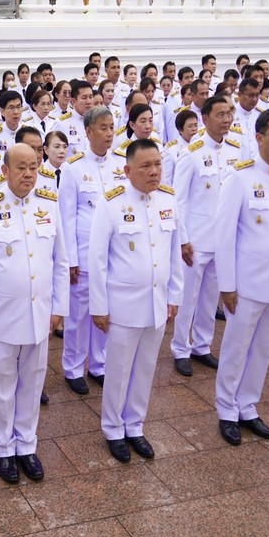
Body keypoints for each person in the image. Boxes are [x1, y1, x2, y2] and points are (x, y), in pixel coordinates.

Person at [0, 142, 68, 483]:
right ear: (5, 171)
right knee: (2, 385)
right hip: (1, 319)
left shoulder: (49, 204)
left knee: (32, 383)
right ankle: (3, 448)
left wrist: (58, 308)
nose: (28, 174)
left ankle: (26, 444)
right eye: (21, 167)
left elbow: (60, 261)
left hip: (40, 316)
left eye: (33, 167)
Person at [89, 138, 183, 462]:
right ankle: (113, 429)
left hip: (157, 303)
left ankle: (135, 426)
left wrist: (175, 295)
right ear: (128, 170)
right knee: (118, 370)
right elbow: (97, 259)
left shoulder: (168, 200)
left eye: (157, 164)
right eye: (145, 166)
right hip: (123, 304)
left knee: (145, 369)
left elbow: (174, 252)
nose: (154, 171)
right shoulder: (112, 203)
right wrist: (99, 307)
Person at [214, 109, 269, 446]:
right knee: (237, 347)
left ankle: (247, 405)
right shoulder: (240, 178)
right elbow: (224, 235)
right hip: (247, 283)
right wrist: (227, 285)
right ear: (260, 138)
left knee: (264, 347)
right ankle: (226, 409)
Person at [171, 96, 242, 377]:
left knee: (211, 296)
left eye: (229, 114)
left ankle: (202, 345)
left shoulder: (236, 150)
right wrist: (183, 239)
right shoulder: (192, 153)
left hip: (223, 240)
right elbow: (179, 200)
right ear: (206, 118)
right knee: (188, 297)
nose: (226, 119)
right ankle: (180, 348)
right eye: (221, 114)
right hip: (196, 240)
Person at [58, 107, 127, 392]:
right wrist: (71, 259)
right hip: (84, 255)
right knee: (78, 316)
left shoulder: (121, 165)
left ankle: (98, 364)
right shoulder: (73, 169)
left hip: (114, 254)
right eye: (103, 128)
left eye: (111, 127)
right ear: (88, 132)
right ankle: (73, 368)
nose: (109, 133)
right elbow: (67, 217)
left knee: (106, 311)